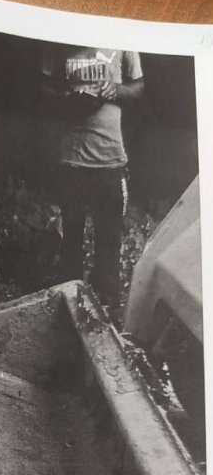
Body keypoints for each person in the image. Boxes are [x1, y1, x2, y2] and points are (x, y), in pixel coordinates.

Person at [41, 45, 144, 306]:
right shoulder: (60, 35)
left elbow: (138, 86)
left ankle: (106, 310)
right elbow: (43, 87)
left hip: (110, 160)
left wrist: (116, 90)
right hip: (72, 160)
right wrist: (67, 97)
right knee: (70, 239)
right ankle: (69, 307)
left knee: (109, 243)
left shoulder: (123, 33)